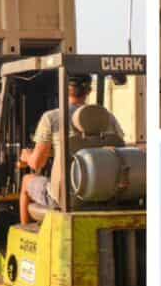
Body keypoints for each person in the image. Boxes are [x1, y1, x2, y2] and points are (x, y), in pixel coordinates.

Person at [18, 75, 124, 224]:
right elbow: (120, 147)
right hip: (105, 193)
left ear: (64, 90)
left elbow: (37, 164)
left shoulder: (52, 118)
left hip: (68, 197)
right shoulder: (108, 118)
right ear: (90, 91)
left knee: (26, 181)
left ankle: (26, 234)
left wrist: (27, 156)